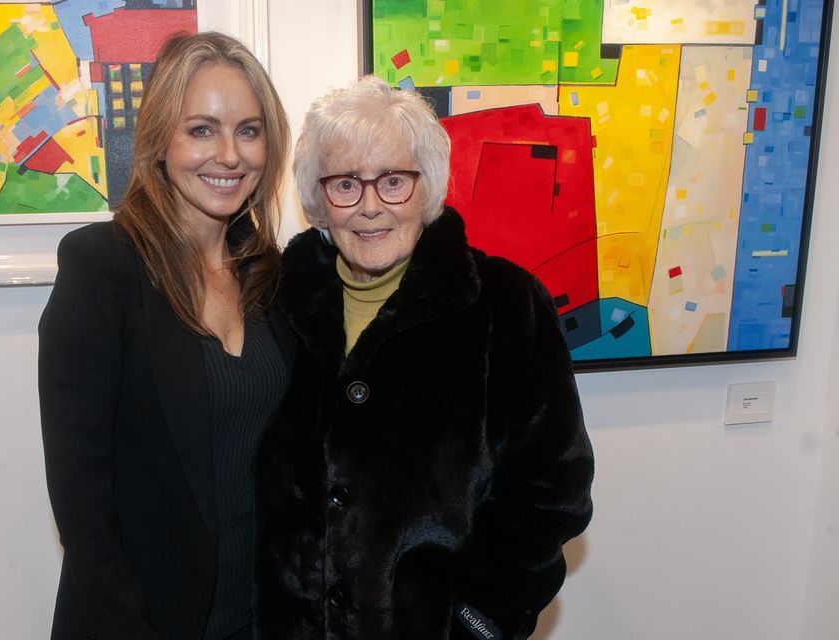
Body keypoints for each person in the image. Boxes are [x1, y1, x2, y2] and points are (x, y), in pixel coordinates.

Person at [253, 76, 594, 640]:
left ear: (428, 185)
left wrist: (477, 621)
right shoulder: (276, 301)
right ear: (317, 196)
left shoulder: (504, 304)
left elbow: (553, 491)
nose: (369, 208)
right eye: (344, 183)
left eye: (393, 181)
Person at [38, 32, 292, 640]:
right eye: (201, 129)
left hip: (257, 615)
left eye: (249, 131)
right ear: (159, 142)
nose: (229, 155)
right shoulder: (103, 267)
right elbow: (82, 502)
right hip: (140, 622)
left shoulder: (270, 274)